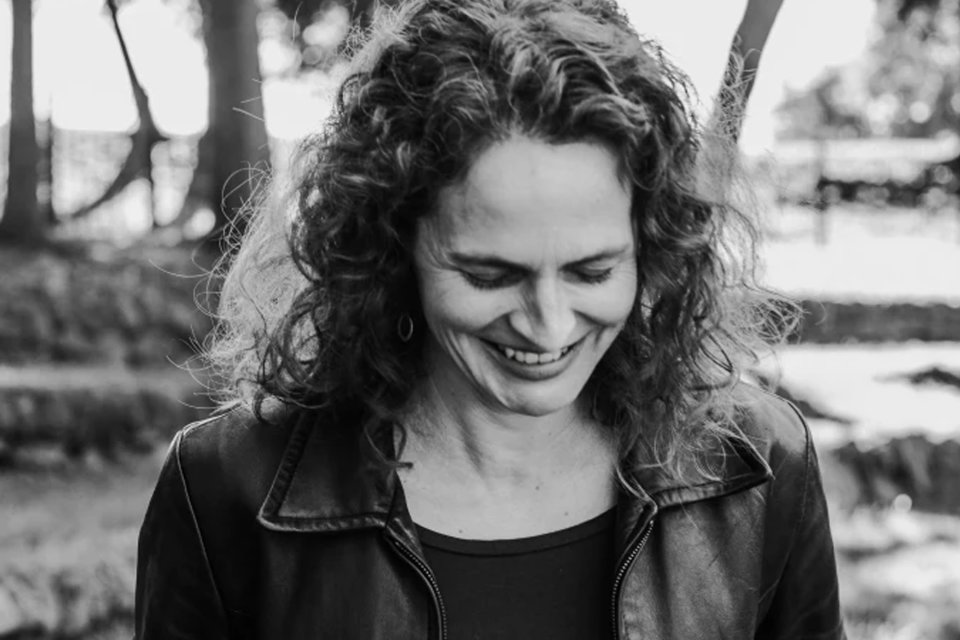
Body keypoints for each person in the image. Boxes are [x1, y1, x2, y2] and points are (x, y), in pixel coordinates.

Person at [134, 0, 846, 638]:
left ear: (652, 249)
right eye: (489, 275)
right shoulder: (224, 487)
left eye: (593, 272)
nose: (549, 325)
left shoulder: (762, 469)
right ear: (391, 245)